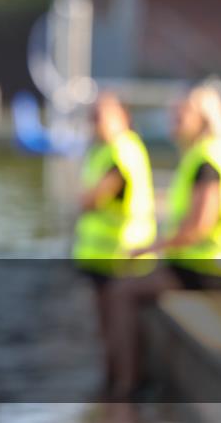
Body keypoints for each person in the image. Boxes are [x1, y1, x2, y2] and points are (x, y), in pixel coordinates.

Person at [105, 84, 221, 400]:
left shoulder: (206, 162)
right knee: (129, 283)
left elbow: (199, 227)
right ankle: (125, 377)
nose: (173, 120)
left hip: (213, 267)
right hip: (209, 262)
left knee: (122, 291)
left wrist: (150, 248)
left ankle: (127, 385)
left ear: (201, 119)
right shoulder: (206, 154)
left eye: (180, 114)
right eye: (171, 114)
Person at [72, 92, 156, 394]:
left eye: (103, 114)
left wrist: (84, 200)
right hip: (101, 255)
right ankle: (113, 385)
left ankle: (124, 387)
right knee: (107, 326)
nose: (96, 120)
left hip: (121, 254)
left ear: (123, 117)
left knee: (118, 325)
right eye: (94, 114)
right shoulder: (102, 150)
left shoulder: (122, 150)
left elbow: (95, 197)